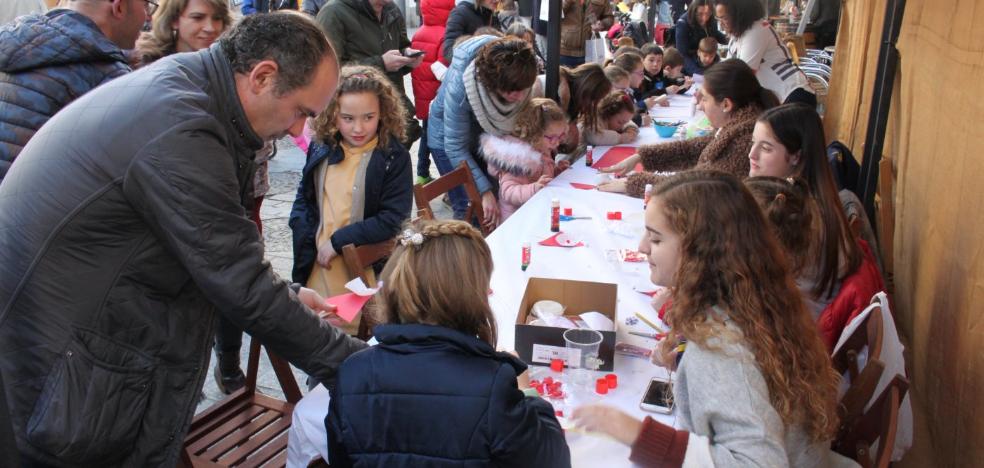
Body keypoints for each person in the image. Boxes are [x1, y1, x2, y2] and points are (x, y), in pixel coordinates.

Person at [0, 13, 369, 465]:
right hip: (62, 368)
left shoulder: (190, 91)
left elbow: (206, 247)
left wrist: (288, 296)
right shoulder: (181, 125)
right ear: (262, 76)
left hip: (80, 348)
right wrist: (367, 370)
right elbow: (237, 278)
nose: (297, 132)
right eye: (301, 113)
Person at [573, 170, 854, 468]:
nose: (642, 246)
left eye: (655, 238)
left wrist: (638, 434)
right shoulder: (758, 301)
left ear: (699, 252)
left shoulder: (718, 347)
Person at [326, 219, 571, 467]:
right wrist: (526, 391)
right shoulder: (493, 385)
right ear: (470, 296)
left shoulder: (351, 373)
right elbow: (554, 460)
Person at [130, 0, 258, 395]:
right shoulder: (150, 69)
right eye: (198, 18)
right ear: (174, 21)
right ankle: (183, 377)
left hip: (234, 188)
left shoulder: (234, 66)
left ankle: (229, 363)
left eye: (217, 18)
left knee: (236, 273)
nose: (209, 27)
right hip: (174, 199)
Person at [290, 65, 413, 336]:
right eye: (348, 118)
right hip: (317, 267)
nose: (358, 128)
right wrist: (301, 227)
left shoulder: (393, 158)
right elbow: (306, 194)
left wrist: (339, 241)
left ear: (383, 113)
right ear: (333, 114)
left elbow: (392, 219)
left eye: (368, 117)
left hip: (363, 272)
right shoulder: (322, 146)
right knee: (319, 330)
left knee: (352, 336)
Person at [748, 104, 879, 349]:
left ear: (797, 156)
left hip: (796, 342)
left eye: (765, 148)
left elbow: (752, 295)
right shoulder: (817, 201)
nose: (751, 155)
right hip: (804, 329)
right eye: (752, 143)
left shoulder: (794, 216)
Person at [0, 0, 142, 183]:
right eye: (146, 5)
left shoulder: (19, 42)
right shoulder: (108, 76)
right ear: (119, 6)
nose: (147, 16)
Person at [599, 59, 778, 197]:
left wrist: (634, 183)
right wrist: (641, 156)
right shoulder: (741, 126)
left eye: (705, 99)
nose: (700, 106)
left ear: (726, 104)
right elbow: (697, 148)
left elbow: (699, 190)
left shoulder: (745, 140)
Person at [428, 35, 538, 228]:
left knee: (498, 203)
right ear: (492, 84)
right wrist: (484, 192)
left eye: (523, 89)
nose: (520, 97)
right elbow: (454, 146)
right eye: (512, 91)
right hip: (447, 141)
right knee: (473, 211)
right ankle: (469, 251)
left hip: (484, 139)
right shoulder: (461, 87)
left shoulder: (515, 63)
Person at [316, 0, 423, 147]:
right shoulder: (333, 13)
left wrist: (407, 57)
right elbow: (325, 71)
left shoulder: (392, 9)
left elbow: (401, 46)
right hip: (355, 128)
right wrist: (381, 63)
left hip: (394, 120)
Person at [481, 98, 570, 221]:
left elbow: (542, 174)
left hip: (536, 210)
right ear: (535, 133)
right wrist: (534, 188)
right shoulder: (518, 158)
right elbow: (508, 191)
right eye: (551, 137)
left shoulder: (542, 147)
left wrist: (556, 171)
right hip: (517, 219)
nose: (557, 142)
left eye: (560, 136)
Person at [715, 0, 816, 106]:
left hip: (793, 95)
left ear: (739, 14)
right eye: (718, 19)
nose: (721, 25)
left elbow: (742, 75)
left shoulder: (756, 31)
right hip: (777, 98)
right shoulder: (737, 34)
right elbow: (729, 69)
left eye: (725, 18)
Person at [409, 0, 454, 185]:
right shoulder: (446, 36)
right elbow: (444, 70)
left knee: (427, 132)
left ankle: (421, 173)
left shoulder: (418, 33)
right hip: (437, 96)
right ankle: (443, 178)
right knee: (435, 138)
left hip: (422, 94)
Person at [532, 62, 612, 153]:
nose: (593, 105)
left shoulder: (573, 101)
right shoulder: (559, 89)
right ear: (588, 92)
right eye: (595, 100)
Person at [675, 0, 727, 75]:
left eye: (708, 14)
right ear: (694, 11)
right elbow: (682, 54)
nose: (704, 18)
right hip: (692, 65)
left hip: (709, 61)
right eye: (700, 14)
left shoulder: (712, 19)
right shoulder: (683, 23)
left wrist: (730, 38)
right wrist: (699, 73)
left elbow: (714, 33)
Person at [559, 0, 614, 67]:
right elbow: (553, 14)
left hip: (591, 51)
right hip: (564, 51)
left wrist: (602, 24)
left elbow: (609, 18)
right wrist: (567, 2)